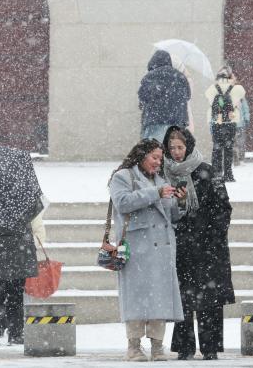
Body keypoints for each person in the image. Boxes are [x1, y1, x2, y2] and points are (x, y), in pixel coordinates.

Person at [109, 138, 186, 361]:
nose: (158, 163)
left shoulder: (161, 180)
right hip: (136, 248)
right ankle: (133, 346)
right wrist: (156, 193)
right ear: (142, 156)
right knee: (136, 298)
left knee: (159, 299)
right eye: (154, 157)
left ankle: (157, 346)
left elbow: (170, 216)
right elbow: (122, 203)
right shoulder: (123, 176)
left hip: (161, 249)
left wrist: (179, 203)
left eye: (160, 159)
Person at [163, 126, 234, 361]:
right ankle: (184, 347)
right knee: (182, 298)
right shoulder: (165, 174)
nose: (176, 152)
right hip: (179, 245)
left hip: (207, 246)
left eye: (180, 147)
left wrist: (209, 233)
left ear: (189, 146)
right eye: (171, 147)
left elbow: (223, 207)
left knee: (209, 299)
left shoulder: (206, 171)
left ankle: (210, 346)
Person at [0, 203, 41, 346]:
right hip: (18, 258)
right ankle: (15, 334)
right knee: (15, 298)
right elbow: (35, 216)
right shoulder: (25, 203)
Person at [138, 50, 191, 142]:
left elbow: (142, 99)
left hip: (154, 122)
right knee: (173, 152)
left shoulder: (148, 77)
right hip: (177, 122)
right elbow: (188, 96)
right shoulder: (180, 77)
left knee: (153, 152)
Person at [205, 65, 246, 182]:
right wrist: (233, 81)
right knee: (228, 147)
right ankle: (228, 174)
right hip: (230, 121)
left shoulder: (211, 88)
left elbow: (208, 98)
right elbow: (243, 93)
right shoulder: (237, 88)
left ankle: (217, 173)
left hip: (216, 121)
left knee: (217, 147)